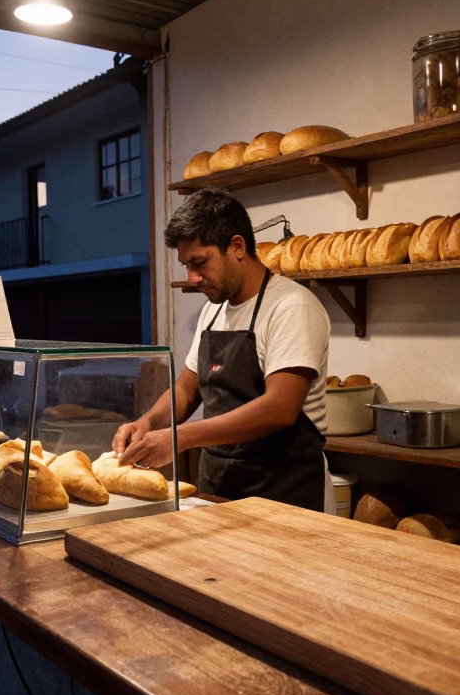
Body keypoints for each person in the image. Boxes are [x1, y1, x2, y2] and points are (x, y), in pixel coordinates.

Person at [113, 188, 332, 512]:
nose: (193, 278)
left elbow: (280, 408)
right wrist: (147, 423)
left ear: (237, 246)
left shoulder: (291, 306)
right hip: (219, 490)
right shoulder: (213, 310)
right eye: (187, 265)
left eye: (200, 263)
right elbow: (187, 389)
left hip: (284, 496)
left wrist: (181, 438)